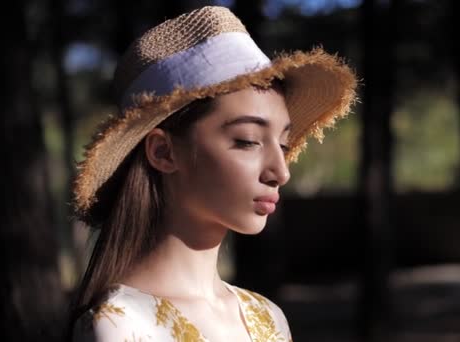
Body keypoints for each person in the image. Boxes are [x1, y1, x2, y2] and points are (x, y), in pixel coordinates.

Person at [68, 5, 357, 342]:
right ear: (162, 152)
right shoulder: (121, 324)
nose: (281, 172)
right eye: (247, 141)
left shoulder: (267, 317)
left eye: (284, 143)